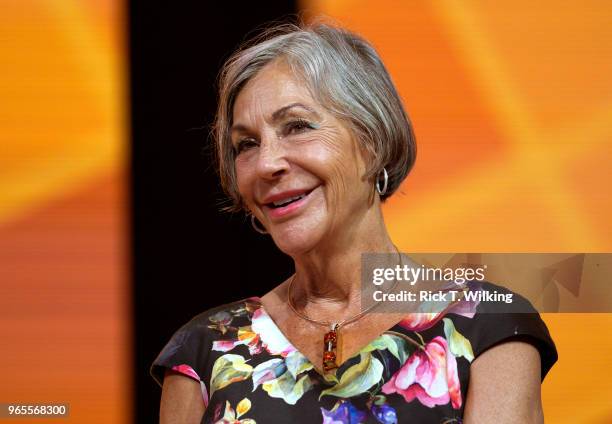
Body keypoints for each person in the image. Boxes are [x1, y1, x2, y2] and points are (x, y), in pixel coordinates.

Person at [151, 21, 557, 423]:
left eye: (296, 127)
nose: (266, 164)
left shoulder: (487, 325)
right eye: (247, 145)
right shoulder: (204, 350)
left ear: (374, 140)